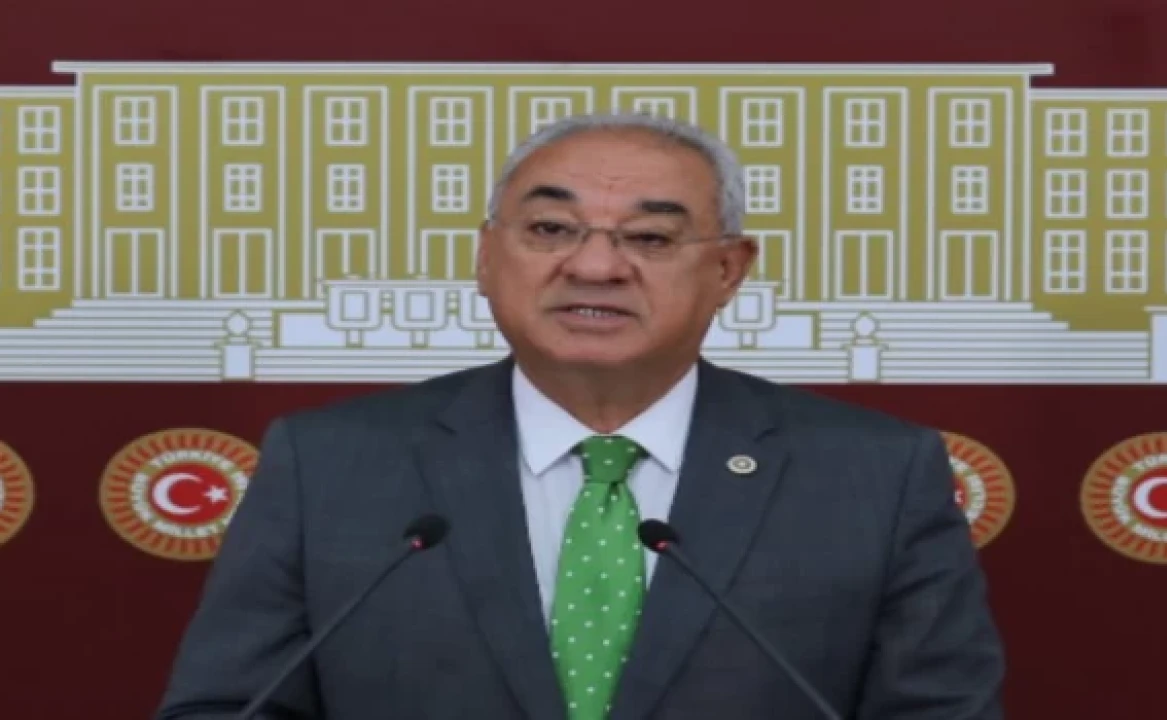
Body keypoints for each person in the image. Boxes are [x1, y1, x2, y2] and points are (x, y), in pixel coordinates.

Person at [154, 111, 1005, 719]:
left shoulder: (873, 475)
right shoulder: (330, 465)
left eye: (651, 238)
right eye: (552, 228)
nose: (595, 266)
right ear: (487, 255)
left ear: (729, 270)